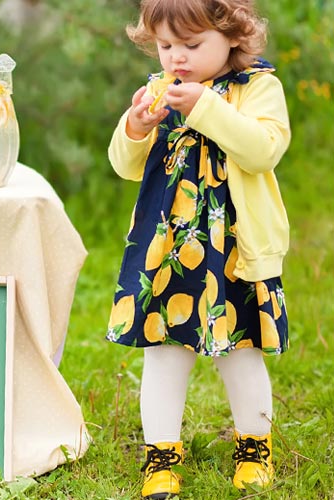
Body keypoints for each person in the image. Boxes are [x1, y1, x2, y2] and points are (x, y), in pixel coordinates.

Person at [105, 0, 290, 498]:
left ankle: (254, 445)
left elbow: (262, 149)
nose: (176, 59)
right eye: (166, 46)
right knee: (163, 353)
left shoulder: (257, 88)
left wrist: (203, 107)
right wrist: (137, 126)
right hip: (166, 249)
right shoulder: (161, 92)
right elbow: (125, 165)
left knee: (242, 352)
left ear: (232, 35)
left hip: (234, 249)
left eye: (191, 45)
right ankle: (160, 457)